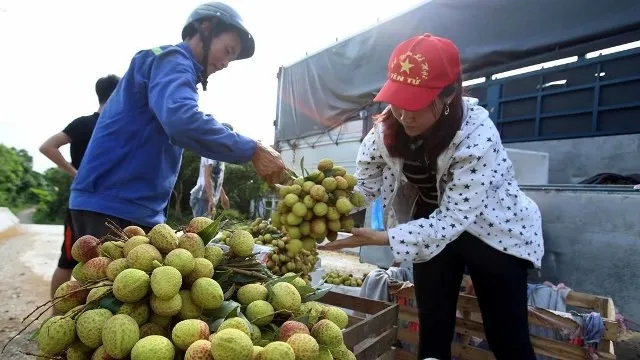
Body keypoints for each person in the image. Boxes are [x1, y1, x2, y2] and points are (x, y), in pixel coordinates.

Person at [320, 34, 543, 360]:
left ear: (449, 94)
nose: (405, 115)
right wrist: (322, 203)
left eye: (417, 103)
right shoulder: (383, 132)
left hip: (493, 228)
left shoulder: (477, 134)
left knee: (506, 337)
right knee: (433, 328)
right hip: (430, 217)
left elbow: (454, 217)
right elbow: (364, 189)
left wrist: (384, 238)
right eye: (398, 99)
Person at [68, 2, 285, 242]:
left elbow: (184, 120)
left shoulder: (170, 68)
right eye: (227, 51)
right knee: (111, 278)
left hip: (132, 207)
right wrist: (252, 149)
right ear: (206, 28)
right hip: (113, 206)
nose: (225, 63)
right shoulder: (172, 60)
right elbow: (182, 121)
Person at [39, 74, 120, 300]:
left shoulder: (85, 124)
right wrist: (76, 173)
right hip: (97, 204)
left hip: (91, 204)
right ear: (117, 94)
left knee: (73, 261)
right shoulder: (105, 127)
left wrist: (73, 172)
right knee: (83, 262)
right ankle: (60, 315)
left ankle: (61, 314)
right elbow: (47, 147)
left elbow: (49, 146)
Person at [190, 123, 233, 217]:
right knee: (200, 230)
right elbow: (207, 176)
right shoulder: (211, 151)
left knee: (208, 230)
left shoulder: (220, 154)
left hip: (209, 199)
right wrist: (211, 199)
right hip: (202, 198)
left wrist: (223, 196)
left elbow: (215, 179)